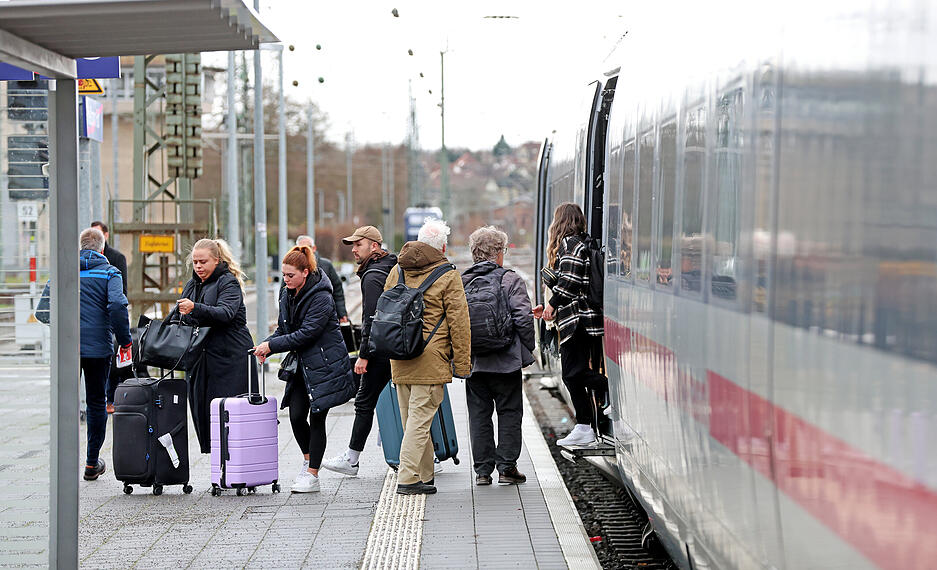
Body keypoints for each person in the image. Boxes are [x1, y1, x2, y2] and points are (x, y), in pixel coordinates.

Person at [252, 245, 355, 493]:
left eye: (290, 275)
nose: (285, 280)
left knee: (317, 416)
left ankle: (312, 474)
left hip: (325, 364)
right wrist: (265, 346)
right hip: (301, 365)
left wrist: (272, 345)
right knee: (297, 416)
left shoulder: (322, 296)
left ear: (305, 272)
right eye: (283, 275)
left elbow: (307, 334)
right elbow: (285, 330)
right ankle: (309, 460)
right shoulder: (286, 293)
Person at [385, 219, 471, 495]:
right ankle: (408, 477)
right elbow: (459, 323)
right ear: (443, 247)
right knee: (420, 423)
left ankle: (425, 474)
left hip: (399, 355)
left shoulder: (397, 270)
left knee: (413, 420)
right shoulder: (448, 275)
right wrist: (463, 364)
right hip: (430, 358)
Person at [462, 226, 535, 486]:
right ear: (498, 253)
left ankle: (483, 471)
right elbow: (523, 318)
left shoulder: (462, 281)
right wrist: (529, 348)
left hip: (475, 362)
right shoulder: (510, 280)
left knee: (479, 415)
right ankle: (506, 468)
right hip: (506, 361)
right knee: (509, 412)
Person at [322, 225, 397, 476]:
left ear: (374, 246)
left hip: (380, 349)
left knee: (364, 402)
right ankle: (429, 456)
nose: (353, 250)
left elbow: (372, 317)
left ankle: (352, 459)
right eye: (352, 245)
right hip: (398, 345)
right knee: (407, 402)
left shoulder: (373, 275)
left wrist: (363, 354)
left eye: (358, 245)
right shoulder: (390, 266)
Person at [64, 228, 132, 480]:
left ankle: (64, 463)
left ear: (80, 247)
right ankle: (92, 463)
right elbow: (116, 305)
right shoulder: (110, 272)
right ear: (103, 250)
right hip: (98, 349)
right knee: (96, 402)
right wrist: (125, 340)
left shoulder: (64, 271)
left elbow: (43, 311)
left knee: (66, 404)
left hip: (67, 350)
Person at [176, 238, 255, 454]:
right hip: (204, 359)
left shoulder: (228, 282)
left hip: (231, 359)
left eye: (203, 262)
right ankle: (219, 465)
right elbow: (186, 316)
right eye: (195, 262)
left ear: (216, 260)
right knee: (206, 413)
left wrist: (195, 308)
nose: (199, 267)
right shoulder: (192, 284)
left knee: (229, 415)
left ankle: (235, 465)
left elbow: (226, 313)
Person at [537, 203, 605, 446]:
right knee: (574, 374)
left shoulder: (570, 244)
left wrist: (552, 305)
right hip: (584, 319)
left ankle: (606, 394)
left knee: (572, 373)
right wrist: (547, 308)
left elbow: (570, 281)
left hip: (576, 320)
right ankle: (584, 425)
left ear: (560, 222)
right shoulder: (583, 243)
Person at [91, 221, 130, 414]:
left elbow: (121, 294)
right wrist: (126, 340)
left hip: (107, 321)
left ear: (106, 235)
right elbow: (118, 301)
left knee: (111, 364)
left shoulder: (116, 258)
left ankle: (111, 399)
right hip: (104, 323)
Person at [296, 235, 348, 323]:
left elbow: (337, 290)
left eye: (308, 247)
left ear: (314, 248)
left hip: (326, 316)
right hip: (301, 318)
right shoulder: (292, 268)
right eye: (300, 248)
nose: (305, 251)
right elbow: (284, 292)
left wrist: (342, 313)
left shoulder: (326, 265)